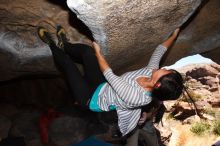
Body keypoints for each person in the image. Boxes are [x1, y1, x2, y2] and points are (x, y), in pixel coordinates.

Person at [37, 25, 183, 137]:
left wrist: (99, 52)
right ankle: (66, 45)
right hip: (102, 86)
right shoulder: (151, 72)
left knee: (69, 64)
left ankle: (51, 44)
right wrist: (174, 36)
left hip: (90, 99)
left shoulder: (136, 97)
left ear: (157, 84)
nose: (164, 68)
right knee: (87, 53)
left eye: (166, 71)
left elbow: (108, 73)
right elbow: (159, 51)